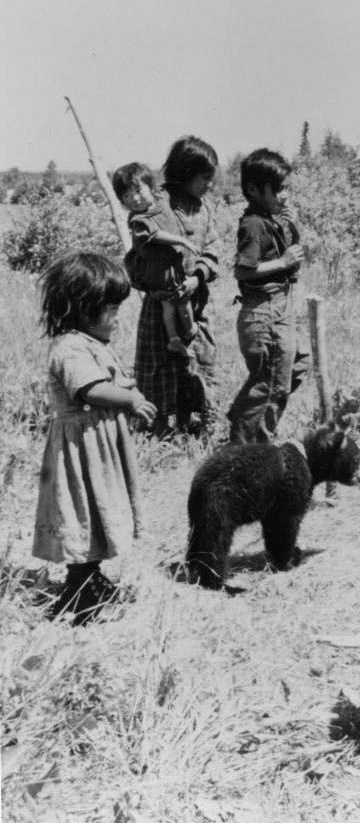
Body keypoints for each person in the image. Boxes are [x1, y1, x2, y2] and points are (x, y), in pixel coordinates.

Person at [33, 250, 157, 625]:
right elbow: (89, 390)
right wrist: (131, 398)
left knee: (100, 513)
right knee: (85, 513)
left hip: (98, 447)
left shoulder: (90, 342)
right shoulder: (70, 347)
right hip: (81, 451)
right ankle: (78, 595)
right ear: (83, 308)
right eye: (111, 310)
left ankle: (91, 579)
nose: (118, 319)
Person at [132, 136, 221, 436]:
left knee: (199, 360)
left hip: (195, 305)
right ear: (185, 172)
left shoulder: (205, 209)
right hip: (161, 302)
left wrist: (198, 277)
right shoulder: (158, 204)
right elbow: (138, 252)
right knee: (159, 365)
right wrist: (154, 280)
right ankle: (156, 427)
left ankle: (194, 422)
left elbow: (213, 248)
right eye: (204, 178)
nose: (209, 185)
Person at [227, 148, 309, 444]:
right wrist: (283, 262)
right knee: (272, 384)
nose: (284, 195)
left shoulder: (268, 219)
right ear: (253, 189)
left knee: (296, 365)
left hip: (278, 308)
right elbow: (243, 270)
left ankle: (244, 423)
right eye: (278, 189)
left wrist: (291, 225)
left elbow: (291, 254)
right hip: (265, 312)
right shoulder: (253, 223)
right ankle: (252, 447)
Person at [112, 162, 200, 358]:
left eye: (138, 190)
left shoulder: (162, 200)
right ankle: (184, 334)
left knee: (175, 305)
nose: (134, 198)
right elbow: (157, 234)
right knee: (176, 304)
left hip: (173, 266)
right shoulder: (138, 221)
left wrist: (187, 229)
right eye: (127, 196)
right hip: (161, 272)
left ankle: (181, 336)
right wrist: (182, 240)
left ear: (150, 187)